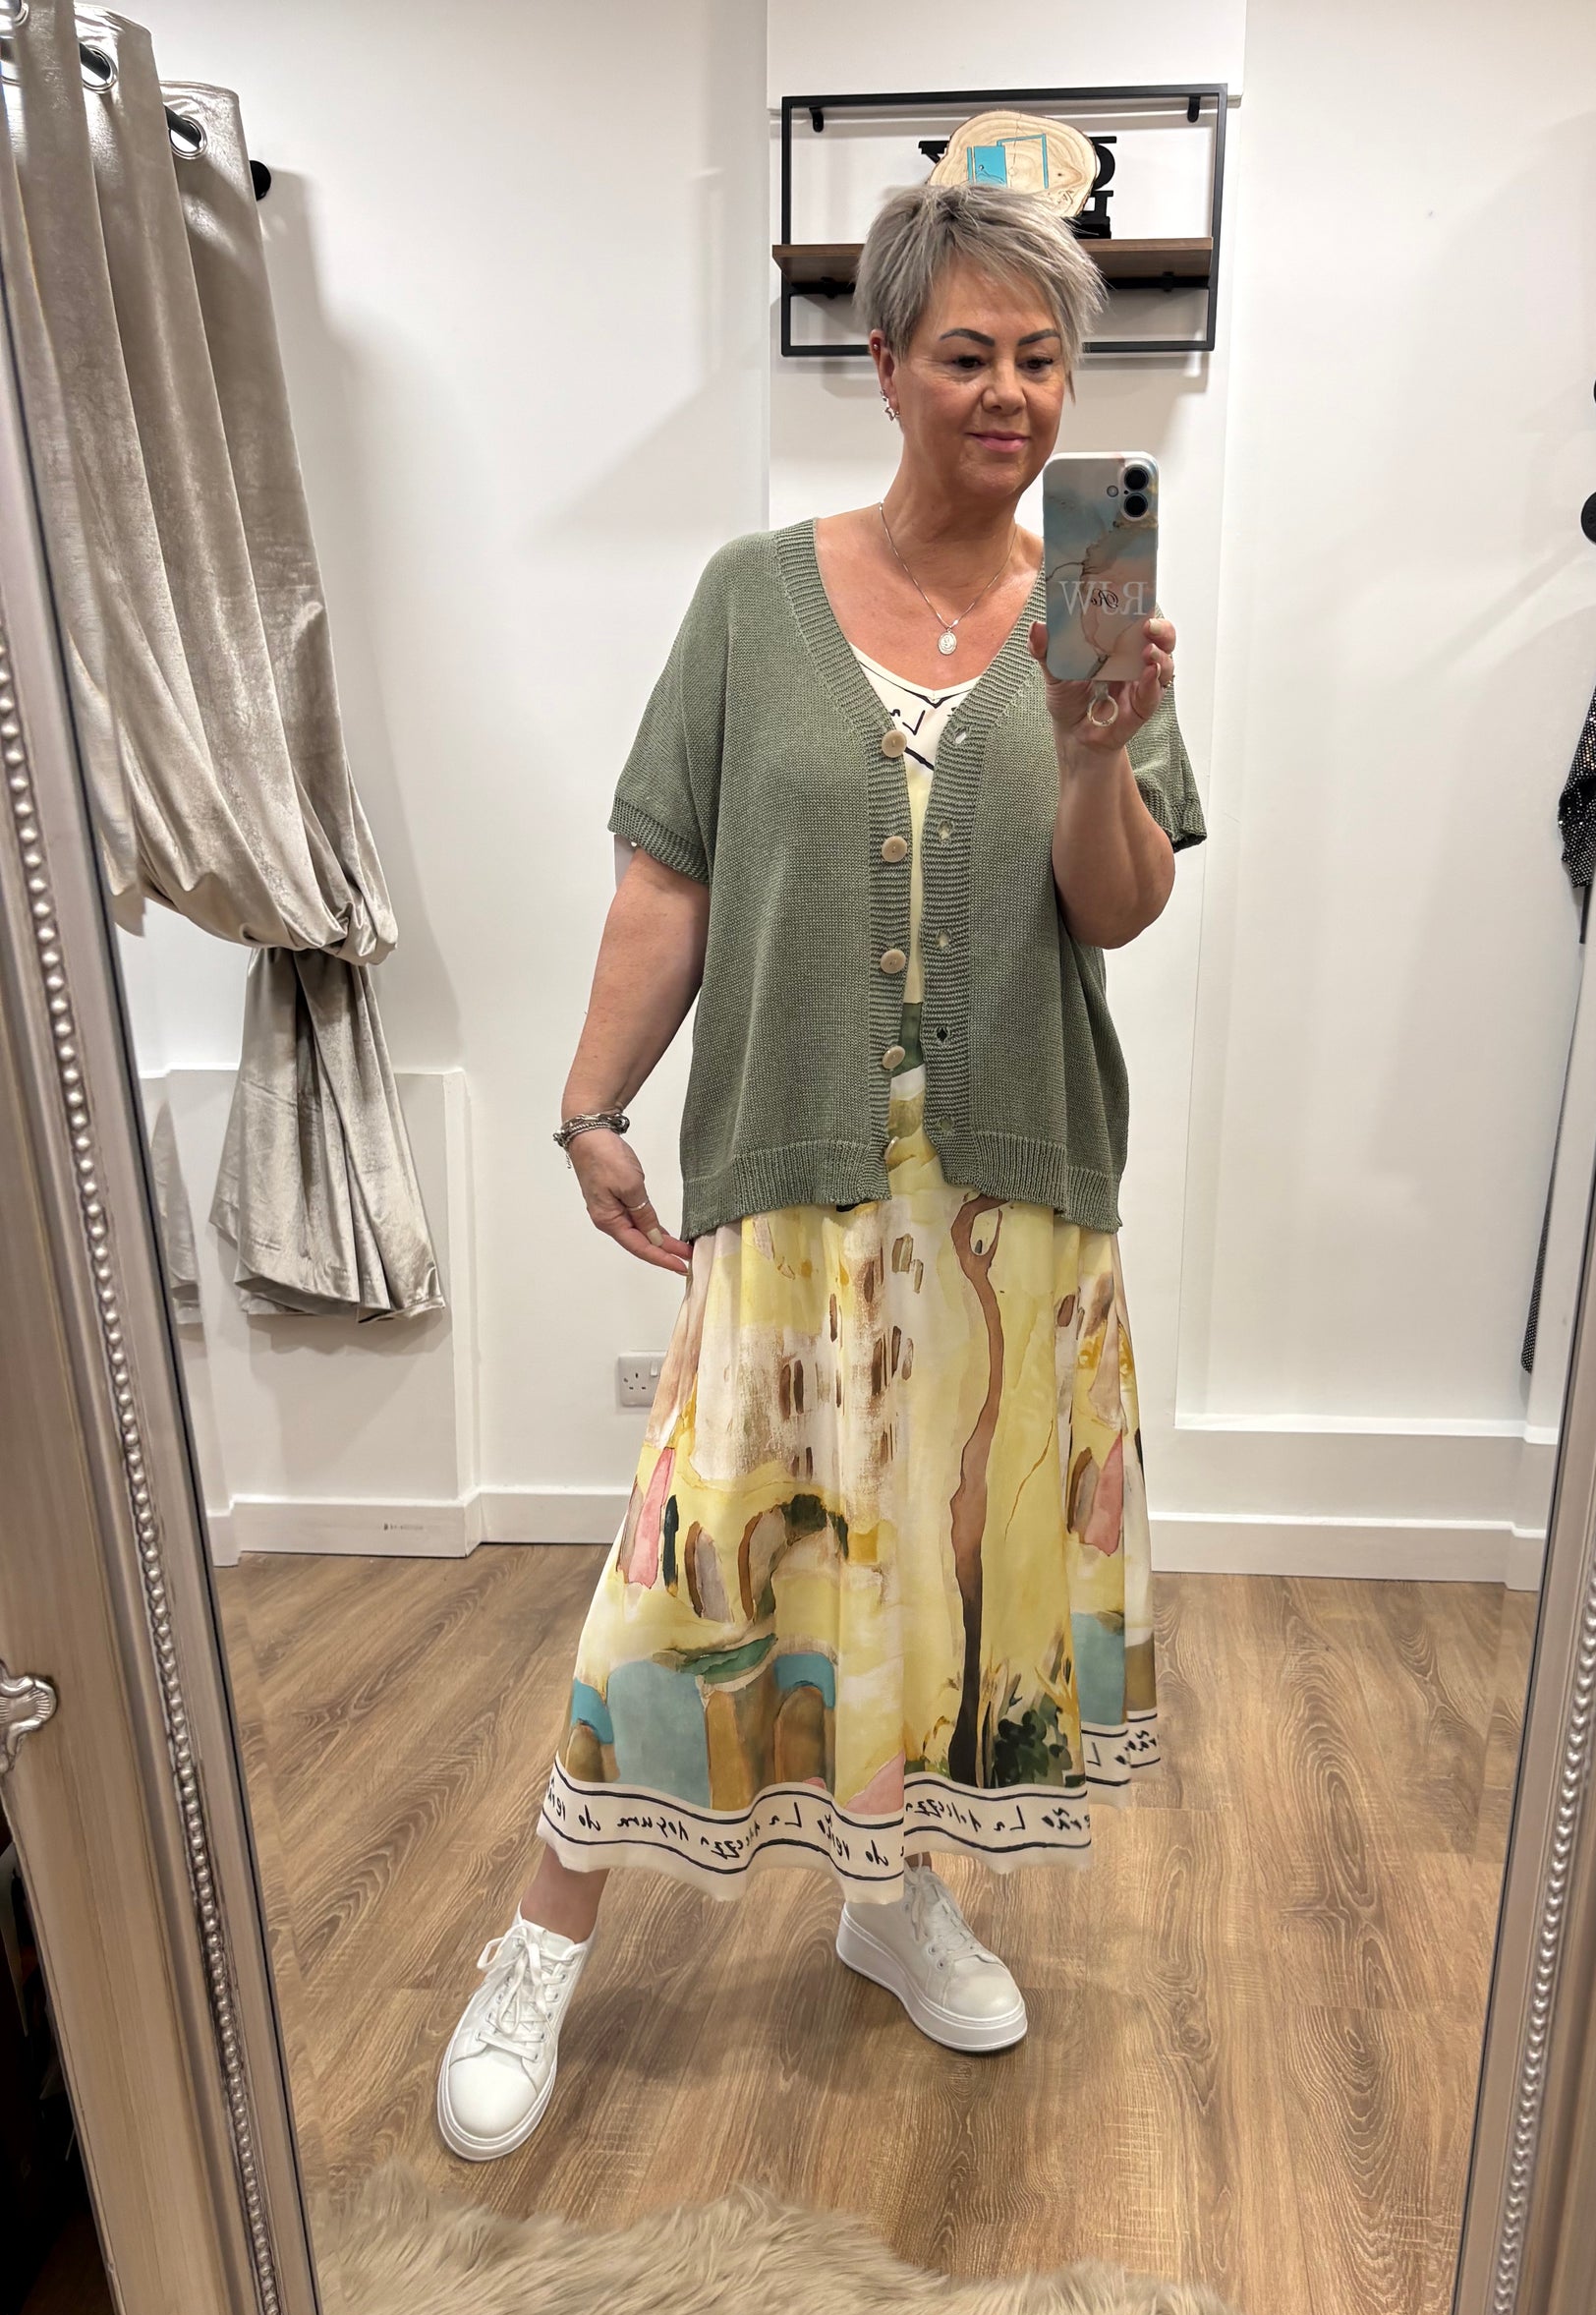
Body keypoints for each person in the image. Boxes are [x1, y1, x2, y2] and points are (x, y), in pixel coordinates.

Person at [437, 181, 1205, 2162]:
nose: (1010, 393)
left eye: (1041, 357)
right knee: (687, 1564)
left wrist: (1093, 749)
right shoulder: (749, 600)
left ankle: (889, 1892)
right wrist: (593, 1103)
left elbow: (1117, 912)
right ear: (882, 365)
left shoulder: (1090, 606)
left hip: (1015, 1200)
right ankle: (539, 1935)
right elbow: (665, 876)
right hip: (792, 1177)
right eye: (966, 354)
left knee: (943, 1568)